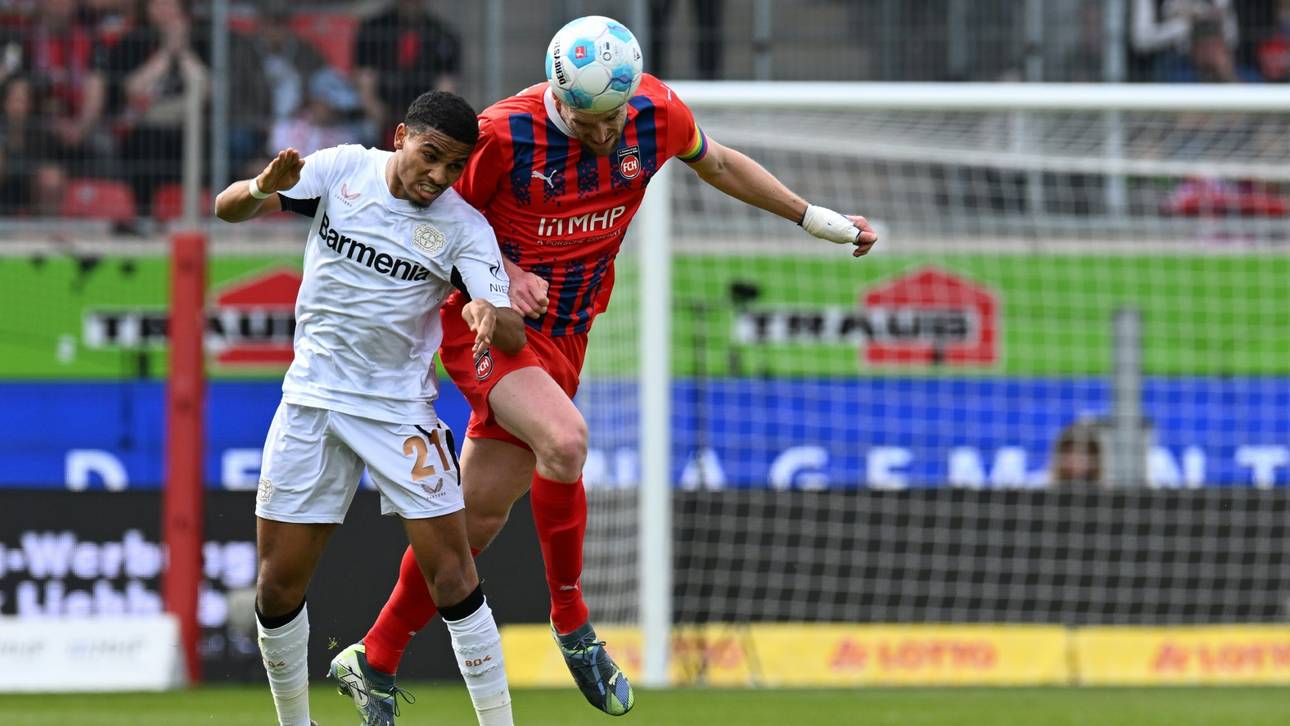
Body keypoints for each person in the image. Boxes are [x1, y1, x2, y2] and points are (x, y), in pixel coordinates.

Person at [331, 15, 877, 721]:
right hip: (488, 326)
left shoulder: (655, 112)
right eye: (589, 120)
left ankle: (374, 656)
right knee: (566, 443)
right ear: (558, 96)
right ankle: (573, 623)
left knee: (477, 522)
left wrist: (813, 217)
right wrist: (502, 273)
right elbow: (429, 222)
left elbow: (718, 163)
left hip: (571, 335)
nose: (607, 132)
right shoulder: (503, 134)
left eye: (614, 115)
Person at [214, 90, 522, 726]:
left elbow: (512, 330)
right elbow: (227, 209)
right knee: (276, 588)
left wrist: (492, 312)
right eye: (430, 156)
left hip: (397, 412)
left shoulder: (464, 227)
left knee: (454, 577)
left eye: (453, 167)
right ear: (401, 134)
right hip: (312, 403)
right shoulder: (340, 169)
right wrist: (260, 188)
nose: (438, 176)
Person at [354, 0, 461, 145]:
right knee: (364, 132)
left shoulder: (442, 33)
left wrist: (430, 118)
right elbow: (365, 79)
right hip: (381, 113)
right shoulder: (374, 28)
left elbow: (446, 85)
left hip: (425, 115)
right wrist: (375, 110)